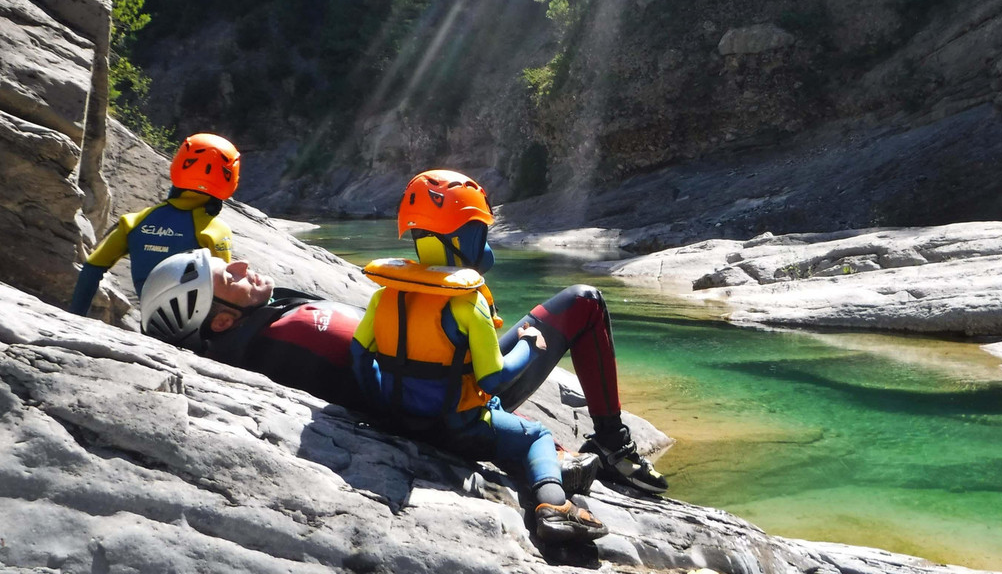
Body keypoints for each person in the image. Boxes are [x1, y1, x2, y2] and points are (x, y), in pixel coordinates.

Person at [350, 169, 668, 544]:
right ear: (466, 236)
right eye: (479, 231)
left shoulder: (387, 294)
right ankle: (557, 501)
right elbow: (493, 380)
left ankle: (588, 455)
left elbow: (359, 355)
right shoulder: (469, 304)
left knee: (568, 314)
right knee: (536, 436)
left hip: (400, 413)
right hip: (457, 426)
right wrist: (529, 345)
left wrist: (381, 402)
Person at [138, 248, 368, 409]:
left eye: (229, 264)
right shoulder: (300, 330)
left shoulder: (262, 334)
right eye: (231, 276)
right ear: (223, 322)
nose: (242, 265)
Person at [71, 133, 241, 317]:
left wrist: (75, 316)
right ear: (231, 179)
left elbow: (92, 268)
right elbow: (225, 288)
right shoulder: (215, 231)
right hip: (193, 333)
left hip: (151, 322)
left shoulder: (134, 221)